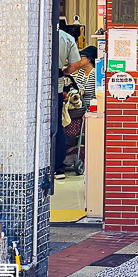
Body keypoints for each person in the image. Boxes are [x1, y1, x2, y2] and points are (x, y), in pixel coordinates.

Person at [55, 24, 82, 180]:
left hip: (35, 85)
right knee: (57, 126)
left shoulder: (37, 30)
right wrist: (65, 72)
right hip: (57, 85)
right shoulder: (67, 38)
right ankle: (58, 168)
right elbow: (75, 64)